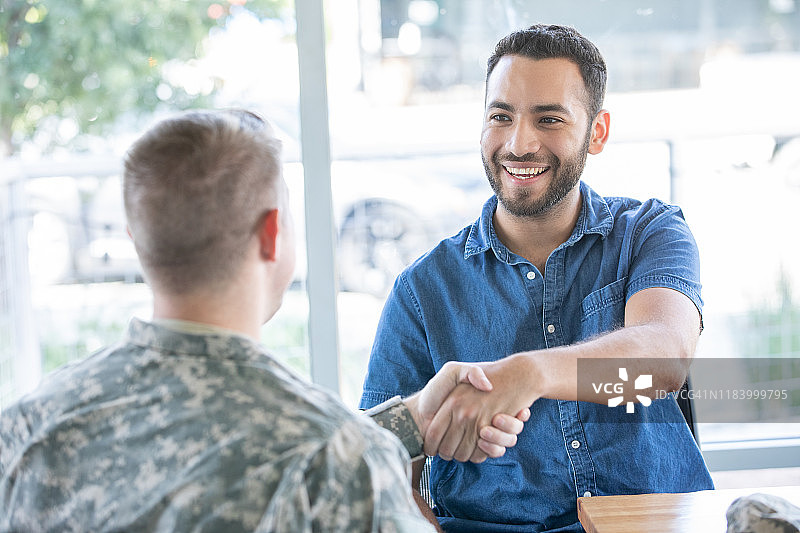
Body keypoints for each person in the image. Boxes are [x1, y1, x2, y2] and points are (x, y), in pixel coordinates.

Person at [0, 109, 528, 532]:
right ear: (272, 234)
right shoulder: (336, 461)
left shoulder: (25, 431)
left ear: (139, 242)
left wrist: (408, 420)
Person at [359, 24, 715, 532]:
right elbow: (378, 463)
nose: (518, 143)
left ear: (597, 132)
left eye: (549, 119)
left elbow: (662, 359)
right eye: (500, 116)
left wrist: (526, 375)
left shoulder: (650, 233)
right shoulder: (423, 291)